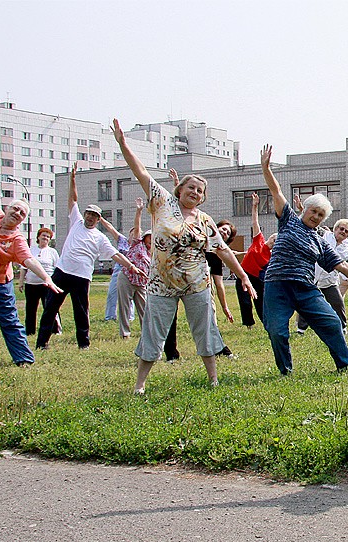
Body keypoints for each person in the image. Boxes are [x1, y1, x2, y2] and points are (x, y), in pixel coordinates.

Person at [112, 119, 255, 392]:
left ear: (202, 198)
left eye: (200, 191)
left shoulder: (204, 219)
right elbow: (141, 171)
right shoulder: (162, 202)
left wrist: (243, 277)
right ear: (180, 189)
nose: (195, 192)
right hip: (161, 284)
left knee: (205, 329)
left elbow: (222, 250)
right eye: (191, 187)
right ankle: (140, 385)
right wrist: (123, 144)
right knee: (154, 332)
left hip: (197, 284)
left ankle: (213, 379)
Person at [259, 144, 348, 374]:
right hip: (277, 285)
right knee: (277, 330)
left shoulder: (320, 240)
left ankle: (345, 367)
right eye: (313, 211)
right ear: (305, 209)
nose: (316, 216)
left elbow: (342, 264)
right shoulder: (288, 220)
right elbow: (276, 191)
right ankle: (285, 371)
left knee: (332, 323)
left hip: (305, 287)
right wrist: (266, 168)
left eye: (321, 215)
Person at [0, 155, 61, 364]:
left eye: (22, 213)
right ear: (7, 209)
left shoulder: (16, 240)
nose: (17, 213)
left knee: (9, 321)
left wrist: (47, 278)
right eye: (15, 208)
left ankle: (24, 360)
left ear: (23, 220)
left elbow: (29, 260)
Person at [36, 163, 143, 350]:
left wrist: (131, 267)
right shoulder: (76, 222)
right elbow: (73, 199)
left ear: (98, 219)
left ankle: (83, 344)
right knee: (50, 308)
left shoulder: (100, 238)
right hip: (62, 273)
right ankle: (41, 343)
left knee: (81, 312)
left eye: (95, 216)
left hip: (82, 277)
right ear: (84, 214)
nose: (91, 217)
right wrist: (72, 179)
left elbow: (116, 255)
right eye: (89, 214)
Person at [297, 217, 348, 334]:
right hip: (313, 276)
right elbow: (311, 224)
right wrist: (301, 208)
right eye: (342, 229)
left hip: (329, 281)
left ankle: (343, 329)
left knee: (338, 303)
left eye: (347, 231)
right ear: (335, 228)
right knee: (307, 302)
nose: (343, 232)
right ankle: (301, 329)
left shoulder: (345, 250)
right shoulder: (324, 235)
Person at [116, 197, 151, 339]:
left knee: (144, 309)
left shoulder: (154, 252)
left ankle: (146, 333)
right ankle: (125, 334)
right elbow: (137, 227)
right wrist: (139, 211)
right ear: (145, 238)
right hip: (127, 278)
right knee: (124, 307)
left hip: (141, 283)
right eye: (149, 239)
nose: (150, 242)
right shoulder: (137, 244)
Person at [236, 192, 272, 327]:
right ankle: (248, 324)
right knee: (245, 300)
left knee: (260, 301)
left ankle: (266, 322)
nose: (274, 242)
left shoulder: (272, 255)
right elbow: (254, 221)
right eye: (273, 239)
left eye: (277, 241)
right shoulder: (259, 240)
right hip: (243, 274)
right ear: (269, 238)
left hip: (257, 279)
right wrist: (255, 206)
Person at [18, 227, 60, 336]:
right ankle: (30, 331)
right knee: (31, 309)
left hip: (46, 284)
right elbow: (24, 267)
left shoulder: (52, 252)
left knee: (49, 307)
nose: (45, 238)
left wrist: (54, 282)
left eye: (48, 236)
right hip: (31, 284)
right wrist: (21, 282)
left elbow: (57, 269)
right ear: (38, 237)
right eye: (43, 235)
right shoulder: (31, 250)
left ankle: (54, 330)